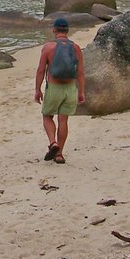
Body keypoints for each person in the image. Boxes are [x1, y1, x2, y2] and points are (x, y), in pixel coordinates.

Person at [34, 17, 85, 164]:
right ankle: (59, 155)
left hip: (54, 88)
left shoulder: (48, 47)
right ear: (67, 31)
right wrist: (81, 92)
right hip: (70, 88)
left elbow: (40, 70)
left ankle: (52, 143)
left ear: (54, 30)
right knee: (63, 120)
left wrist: (37, 90)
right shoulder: (75, 48)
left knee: (47, 116)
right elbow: (80, 72)